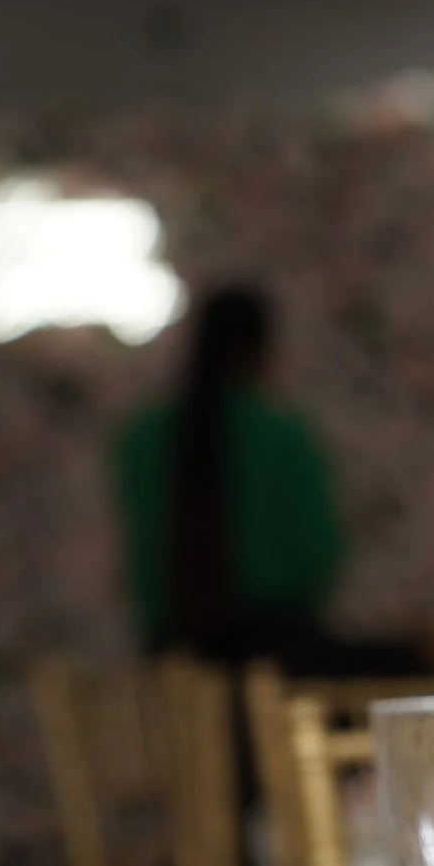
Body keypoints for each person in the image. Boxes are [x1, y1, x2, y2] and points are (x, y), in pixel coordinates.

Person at [112, 285, 344, 665]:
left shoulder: (143, 436)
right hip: (277, 648)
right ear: (260, 350)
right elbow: (318, 553)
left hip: (173, 655)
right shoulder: (283, 435)